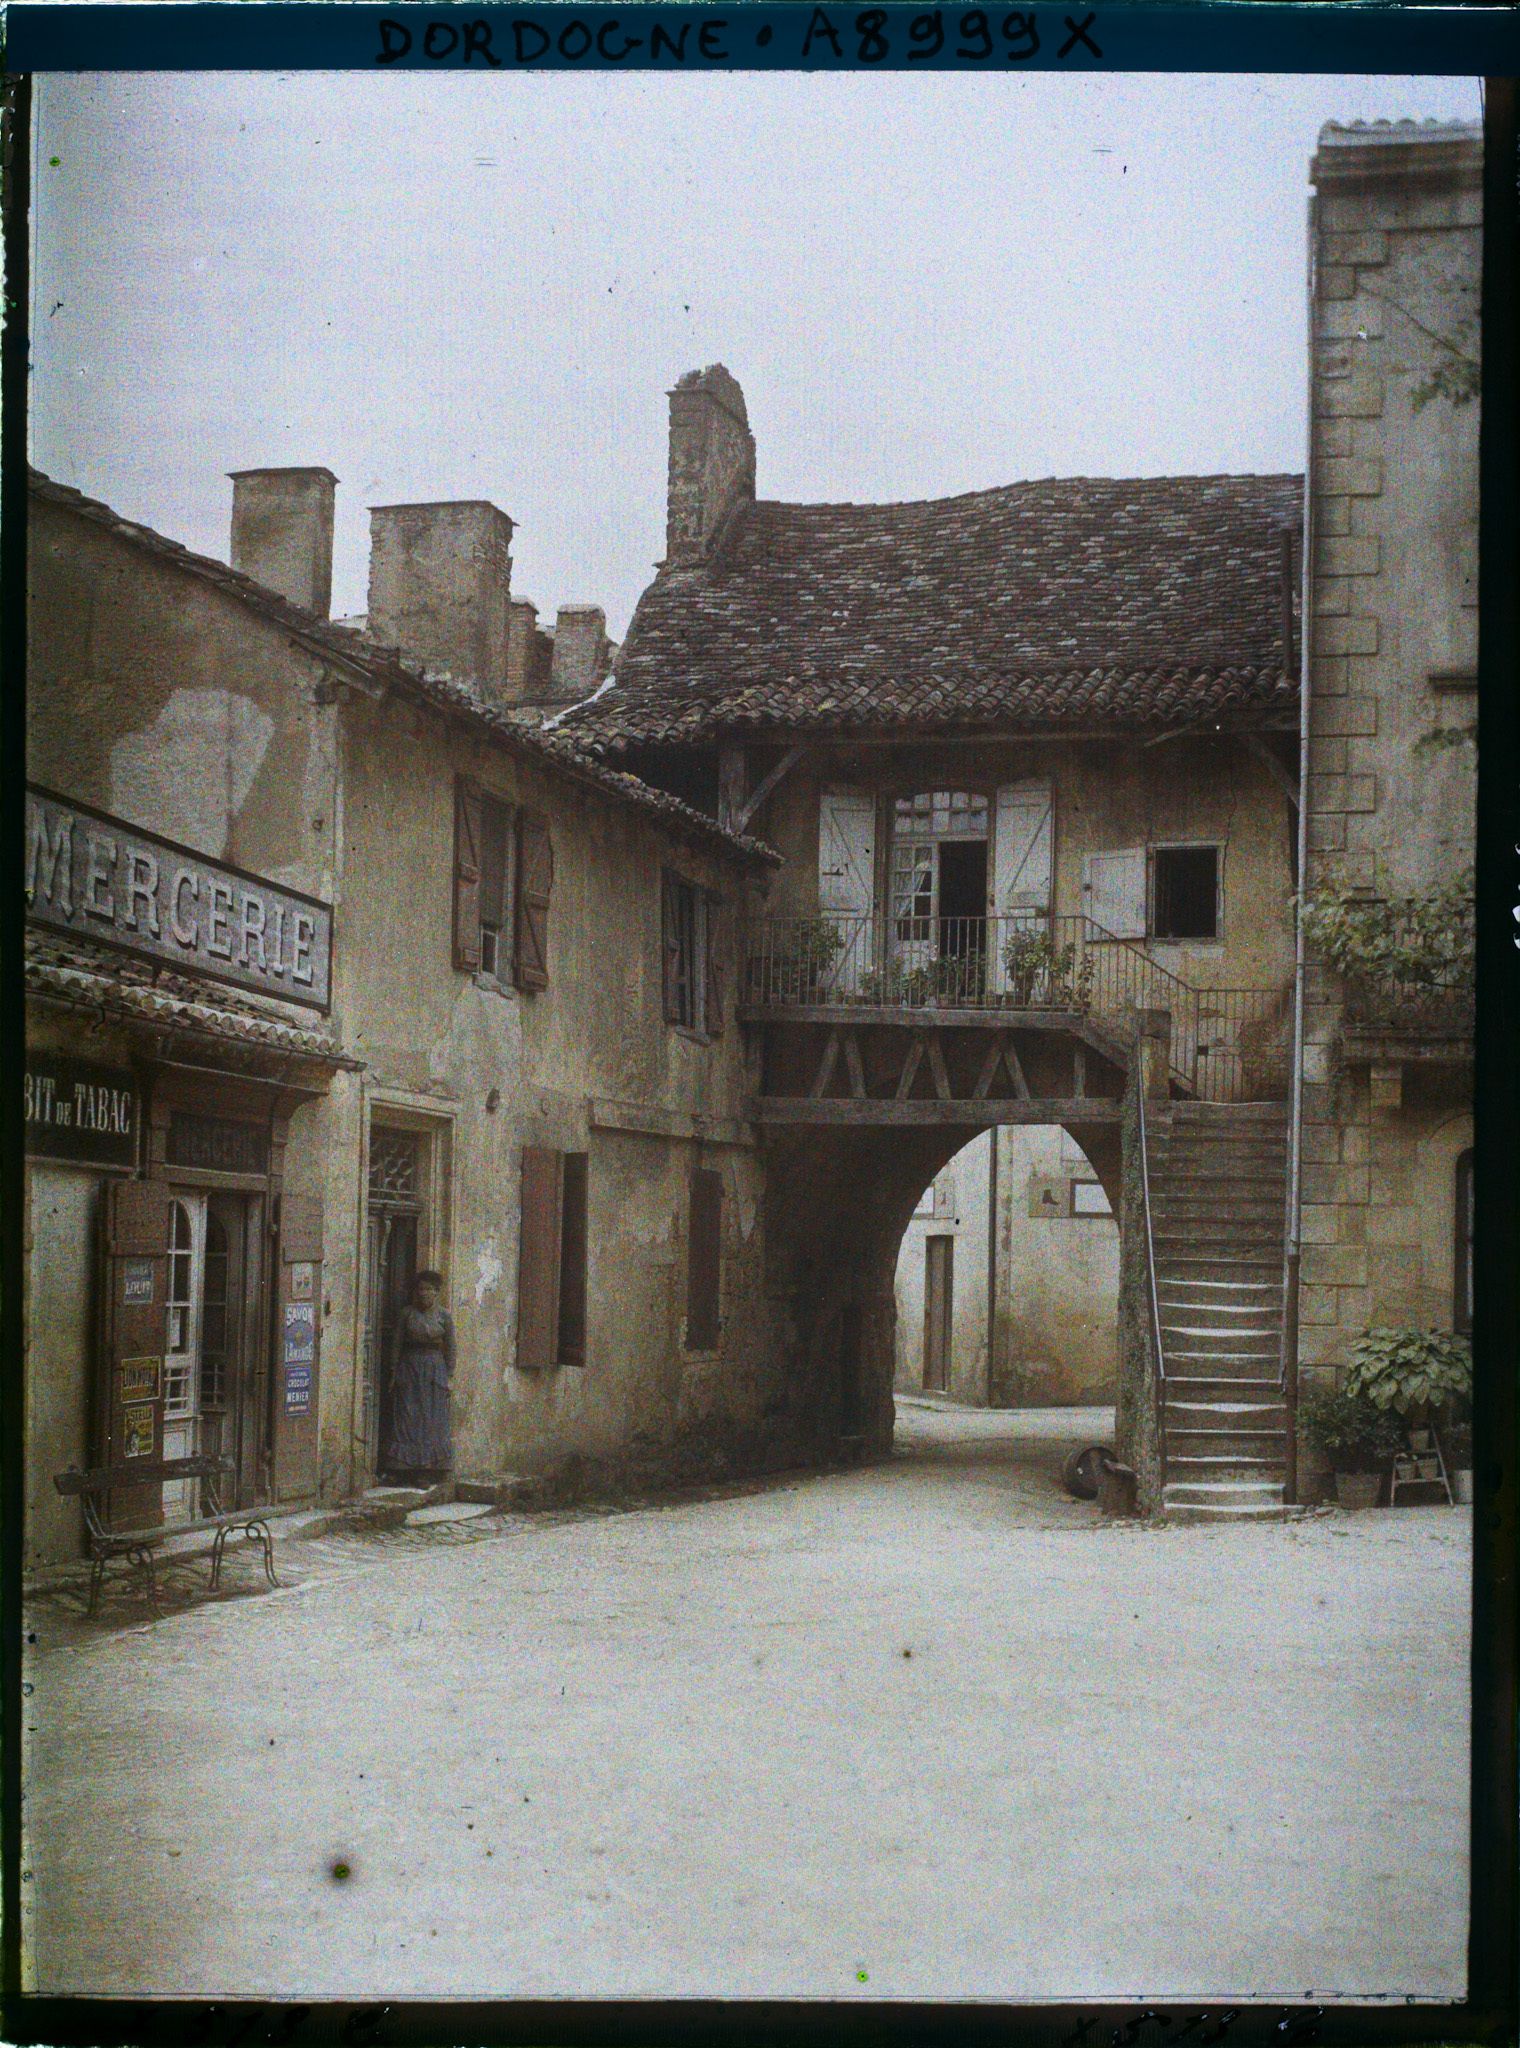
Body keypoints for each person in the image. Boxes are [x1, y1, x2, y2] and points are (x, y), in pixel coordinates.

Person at [383, 1269, 455, 1483]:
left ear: (437, 1292)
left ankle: (426, 1470)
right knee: (407, 1415)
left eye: (429, 1289)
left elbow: (451, 1347)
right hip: (409, 1367)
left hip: (434, 1370)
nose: (424, 1293)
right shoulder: (407, 1314)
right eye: (420, 1289)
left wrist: (449, 1376)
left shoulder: (444, 1316)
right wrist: (394, 1370)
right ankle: (400, 1469)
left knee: (430, 1418)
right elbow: (396, 1344)